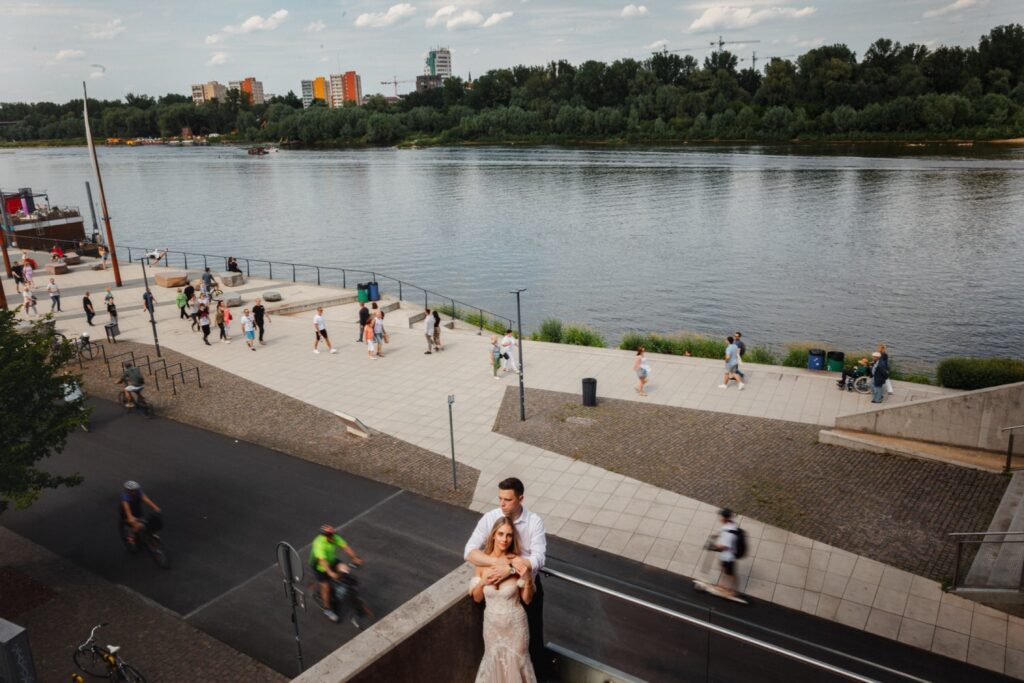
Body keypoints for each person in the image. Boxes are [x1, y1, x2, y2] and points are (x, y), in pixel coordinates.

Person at [465, 478, 547, 678]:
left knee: (533, 647)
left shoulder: (534, 522)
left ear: (520, 499)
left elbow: (538, 558)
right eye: (500, 498)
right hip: (495, 610)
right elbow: (469, 551)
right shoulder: (491, 518)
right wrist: (498, 563)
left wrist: (510, 568)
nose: (502, 504)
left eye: (507, 500)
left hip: (524, 588)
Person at [469, 516, 537, 683]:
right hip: (492, 628)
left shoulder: (516, 562)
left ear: (513, 538)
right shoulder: (482, 563)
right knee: (492, 666)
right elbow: (477, 598)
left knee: (517, 669)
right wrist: (483, 581)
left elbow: (527, 600)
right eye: (500, 534)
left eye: (509, 535)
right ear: (493, 535)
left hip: (516, 628)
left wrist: (527, 579)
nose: (504, 539)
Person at [310, 524, 362, 623]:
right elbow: (322, 561)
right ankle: (327, 609)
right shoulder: (319, 544)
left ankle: (342, 590)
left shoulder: (334, 537)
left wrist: (355, 557)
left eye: (333, 534)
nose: (333, 536)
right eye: (331, 535)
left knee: (345, 570)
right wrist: (330, 572)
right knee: (326, 587)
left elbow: (345, 547)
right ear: (325, 536)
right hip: (319, 567)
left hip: (331, 560)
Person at [708, 508, 742, 599]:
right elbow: (724, 531)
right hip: (724, 556)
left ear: (725, 518)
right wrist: (717, 535)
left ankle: (734, 591)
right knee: (723, 569)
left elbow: (724, 547)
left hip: (728, 557)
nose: (720, 518)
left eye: (721, 516)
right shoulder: (730, 524)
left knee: (731, 574)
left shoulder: (728, 533)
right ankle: (722, 586)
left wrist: (713, 546)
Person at [119, 481, 161, 547]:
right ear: (128, 491)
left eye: (136, 490)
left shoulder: (139, 493)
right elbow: (127, 509)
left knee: (147, 523)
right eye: (132, 491)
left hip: (137, 511)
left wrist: (155, 507)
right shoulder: (125, 497)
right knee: (137, 526)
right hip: (126, 514)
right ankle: (131, 536)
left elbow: (146, 500)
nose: (135, 492)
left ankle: (147, 536)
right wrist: (130, 517)